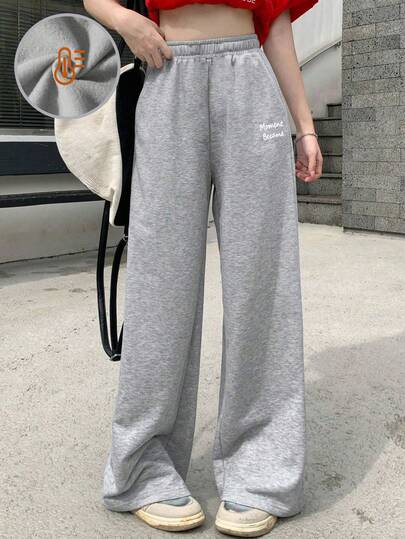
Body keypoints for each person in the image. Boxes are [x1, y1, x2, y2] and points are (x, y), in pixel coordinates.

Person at [84, 0, 323, 536]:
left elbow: (276, 23)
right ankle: (142, 468)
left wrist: (305, 126)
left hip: (250, 81)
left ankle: (261, 471)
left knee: (263, 281)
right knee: (160, 282)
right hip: (167, 72)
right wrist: (125, 22)